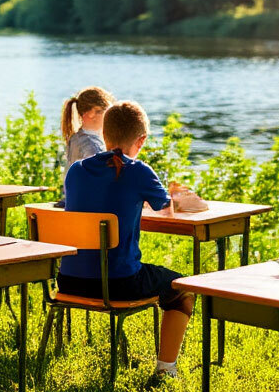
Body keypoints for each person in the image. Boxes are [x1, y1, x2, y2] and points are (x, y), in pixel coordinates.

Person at [59, 100, 193, 377]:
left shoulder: (76, 171)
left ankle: (165, 369)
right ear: (141, 140)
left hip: (69, 281)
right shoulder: (138, 171)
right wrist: (185, 197)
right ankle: (166, 370)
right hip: (118, 285)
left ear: (104, 134)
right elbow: (167, 208)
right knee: (183, 289)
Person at [61, 87, 114, 168]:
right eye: (107, 112)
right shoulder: (92, 147)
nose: (110, 117)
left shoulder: (76, 137)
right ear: (91, 113)